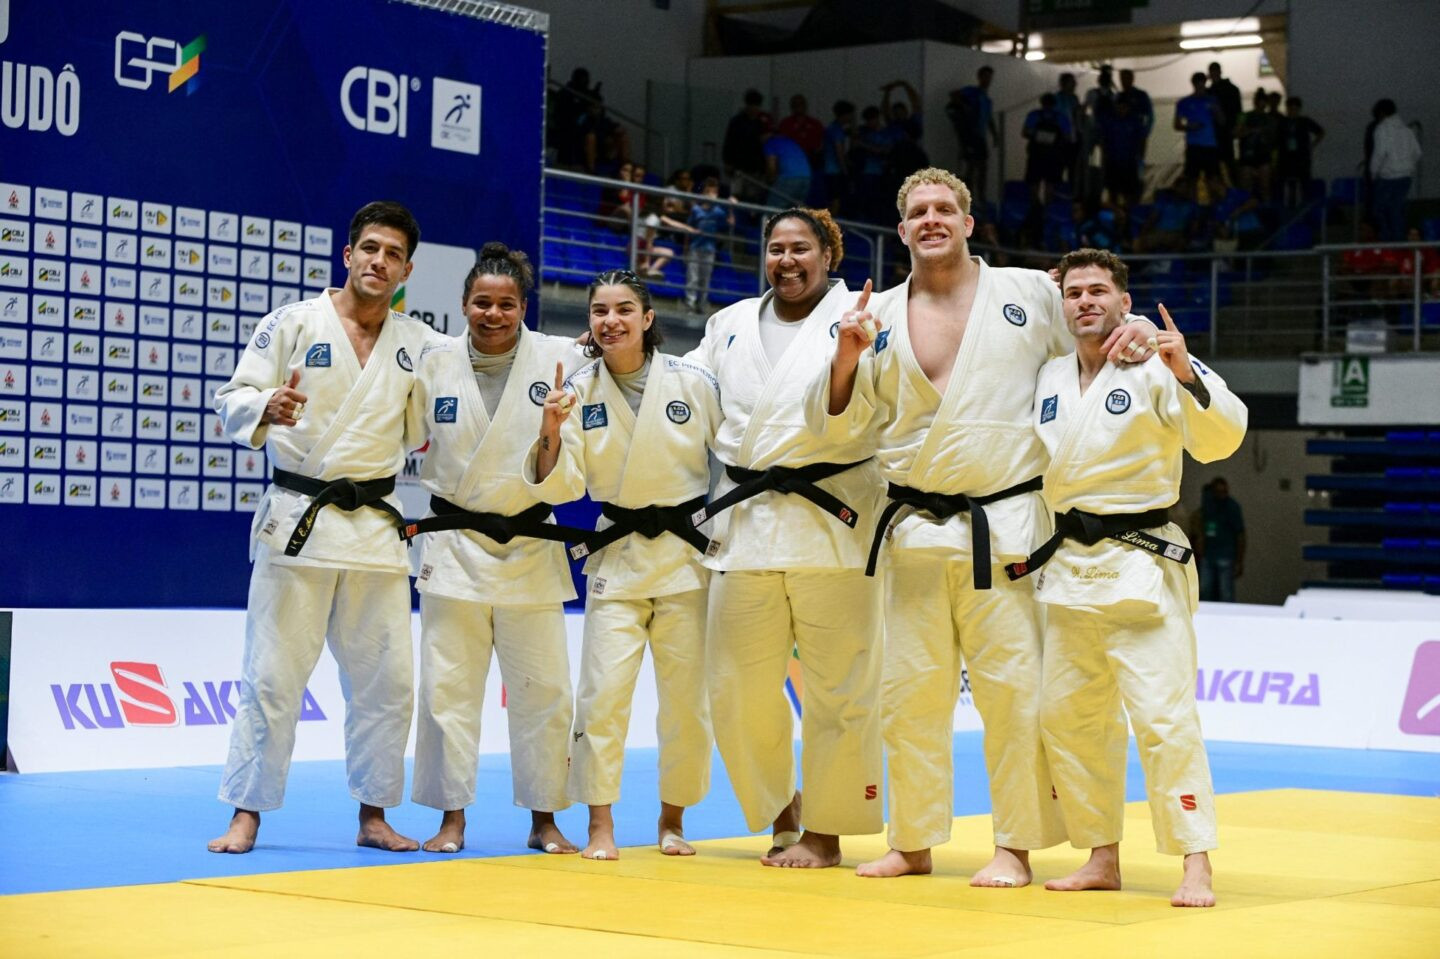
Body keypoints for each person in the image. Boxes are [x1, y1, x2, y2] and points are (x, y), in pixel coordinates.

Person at [816, 168, 1159, 885]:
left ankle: (1017, 844)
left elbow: (1098, 317)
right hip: (912, 529)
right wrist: (845, 357)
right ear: (902, 229)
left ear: (970, 223)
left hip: (1004, 526)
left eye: (946, 208)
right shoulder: (871, 311)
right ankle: (912, 841)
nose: (932, 219)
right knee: (908, 696)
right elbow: (841, 420)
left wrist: (1140, 332)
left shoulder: (1029, 293)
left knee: (1015, 695)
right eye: (918, 212)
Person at [1013, 247, 1247, 908]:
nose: (1085, 300)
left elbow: (1222, 436)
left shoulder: (1153, 362)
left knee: (1164, 718)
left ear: (1123, 299)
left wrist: (1184, 366)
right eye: (1075, 292)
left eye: (1098, 290)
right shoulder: (1052, 376)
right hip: (1069, 570)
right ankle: (1100, 854)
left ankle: (1195, 860)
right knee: (1068, 718)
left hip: (1142, 566)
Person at [209, 201, 439, 855]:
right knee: (272, 674)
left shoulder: (418, 342)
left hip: (373, 529)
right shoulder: (293, 322)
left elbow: (428, 428)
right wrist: (264, 404)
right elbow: (234, 395)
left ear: (406, 269)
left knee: (387, 682)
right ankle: (246, 813)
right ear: (348, 254)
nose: (378, 261)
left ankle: (374, 815)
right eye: (369, 248)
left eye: (392, 254)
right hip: (297, 523)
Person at [690, 207, 885, 868]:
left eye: (801, 248)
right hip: (745, 523)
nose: (787, 260)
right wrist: (605, 358)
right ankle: (782, 808)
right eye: (776, 248)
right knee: (734, 685)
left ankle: (826, 830)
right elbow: (687, 394)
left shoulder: (864, 312)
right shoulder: (728, 323)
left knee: (840, 689)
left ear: (827, 255)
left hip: (833, 523)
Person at [530, 271, 721, 860]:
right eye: (598, 311)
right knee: (602, 697)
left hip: (687, 555)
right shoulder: (577, 390)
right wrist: (551, 431)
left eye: (623, 309)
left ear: (647, 318)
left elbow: (736, 456)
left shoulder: (693, 381)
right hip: (618, 553)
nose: (610, 320)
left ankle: (673, 820)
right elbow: (561, 487)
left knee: (686, 700)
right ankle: (600, 827)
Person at [407, 243, 589, 856]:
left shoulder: (561, 358)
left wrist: (553, 435)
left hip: (530, 542)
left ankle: (545, 819)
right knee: (446, 690)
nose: (493, 314)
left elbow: (573, 464)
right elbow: (398, 434)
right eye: (481, 302)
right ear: (463, 305)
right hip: (454, 542)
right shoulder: (432, 363)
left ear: (523, 307)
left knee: (545, 691)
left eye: (506, 304)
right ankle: (451, 818)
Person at [1369, 99, 1423, 241]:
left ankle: (1387, 241)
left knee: (1379, 210)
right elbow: (1417, 153)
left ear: (1381, 113)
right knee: (1397, 211)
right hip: (1405, 176)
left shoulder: (1382, 129)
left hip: (1388, 177)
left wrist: (1373, 172)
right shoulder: (1407, 130)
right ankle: (1399, 242)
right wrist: (1407, 165)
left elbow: (1380, 154)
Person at [1192, 475, 1246, 602]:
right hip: (1208, 555)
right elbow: (1200, 527)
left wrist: (1239, 560)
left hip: (1226, 555)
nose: (1221, 495)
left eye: (1224, 492)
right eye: (1218, 492)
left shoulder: (1232, 507)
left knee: (1225, 593)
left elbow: (1240, 535)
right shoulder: (1208, 505)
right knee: (1205, 591)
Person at [948, 67, 997, 204]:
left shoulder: (987, 99)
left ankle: (980, 197)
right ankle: (967, 197)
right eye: (985, 76)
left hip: (980, 137)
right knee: (971, 166)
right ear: (979, 77)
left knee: (982, 167)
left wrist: (994, 134)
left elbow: (989, 118)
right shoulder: (972, 91)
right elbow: (953, 95)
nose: (987, 80)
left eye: (989, 77)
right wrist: (965, 107)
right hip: (970, 135)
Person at [1174, 73, 1224, 201]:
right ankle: (1193, 211)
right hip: (1194, 145)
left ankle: (1214, 211)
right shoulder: (1184, 102)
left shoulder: (1212, 100)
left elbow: (1222, 122)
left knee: (1213, 180)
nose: (1201, 88)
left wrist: (1216, 111)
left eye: (1203, 85)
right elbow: (1177, 124)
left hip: (1210, 145)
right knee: (1192, 180)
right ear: (1194, 84)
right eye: (1198, 85)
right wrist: (1189, 127)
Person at [685, 177, 733, 313]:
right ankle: (690, 304)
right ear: (703, 193)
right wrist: (686, 248)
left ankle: (702, 304)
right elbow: (689, 229)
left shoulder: (718, 211)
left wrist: (730, 207)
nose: (711, 195)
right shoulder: (696, 210)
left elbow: (728, 223)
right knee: (692, 277)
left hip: (710, 249)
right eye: (708, 191)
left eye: (714, 192)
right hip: (695, 247)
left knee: (705, 279)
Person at [1022, 93, 1073, 207]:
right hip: (1053, 156)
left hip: (1036, 155)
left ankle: (1035, 210)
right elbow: (1068, 137)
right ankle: (1046, 211)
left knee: (1034, 184)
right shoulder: (1061, 117)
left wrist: (1038, 135)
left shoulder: (1034, 115)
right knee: (1050, 185)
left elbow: (1025, 132)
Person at [724, 89, 772, 202]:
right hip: (739, 166)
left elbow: (767, 145)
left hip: (756, 168)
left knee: (753, 199)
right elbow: (729, 142)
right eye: (751, 106)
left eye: (756, 106)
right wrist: (727, 162)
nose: (754, 109)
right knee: (735, 196)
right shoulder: (737, 122)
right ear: (747, 105)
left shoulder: (762, 122)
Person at [1276, 96, 1325, 208]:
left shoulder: (1304, 121)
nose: (1293, 112)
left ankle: (1305, 208)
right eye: (1291, 109)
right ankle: (1289, 208)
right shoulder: (1282, 122)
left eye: (1295, 109)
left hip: (1302, 157)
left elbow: (1321, 132)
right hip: (1286, 158)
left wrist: (1312, 145)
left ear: (1299, 109)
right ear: (1287, 108)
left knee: (1305, 184)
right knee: (1286, 184)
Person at [1207, 62, 1242, 182]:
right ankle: (1229, 189)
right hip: (1220, 132)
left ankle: (1228, 189)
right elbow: (1239, 111)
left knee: (1225, 162)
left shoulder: (1211, 92)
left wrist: (1237, 127)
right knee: (1224, 162)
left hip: (1222, 132)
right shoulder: (1230, 89)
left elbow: (1238, 111)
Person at [777, 94, 826, 167]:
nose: (798, 106)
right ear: (791, 107)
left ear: (805, 106)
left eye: (801, 103)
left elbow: (823, 142)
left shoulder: (815, 124)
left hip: (812, 161)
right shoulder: (785, 124)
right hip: (791, 161)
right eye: (795, 104)